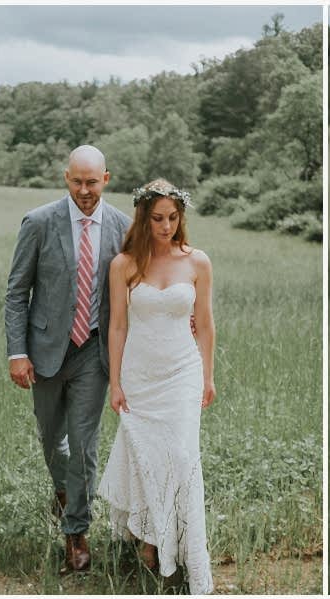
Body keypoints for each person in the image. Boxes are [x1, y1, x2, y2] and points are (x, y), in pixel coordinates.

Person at [5, 145, 132, 573]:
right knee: (50, 439)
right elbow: (17, 293)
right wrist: (17, 352)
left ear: (106, 179)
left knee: (83, 447)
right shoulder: (39, 222)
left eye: (92, 182)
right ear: (66, 178)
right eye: (77, 181)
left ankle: (76, 532)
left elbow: (141, 288)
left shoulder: (123, 228)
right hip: (43, 355)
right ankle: (65, 491)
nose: (84, 190)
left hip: (93, 355)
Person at [97, 178, 215, 593]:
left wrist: (208, 375)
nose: (165, 226)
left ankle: (180, 549)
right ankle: (149, 540)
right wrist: (115, 382)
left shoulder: (197, 261)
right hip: (139, 375)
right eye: (157, 219)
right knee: (146, 457)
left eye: (172, 218)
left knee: (181, 457)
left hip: (182, 372)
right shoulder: (124, 264)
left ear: (180, 217)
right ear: (143, 220)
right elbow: (116, 325)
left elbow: (205, 323)